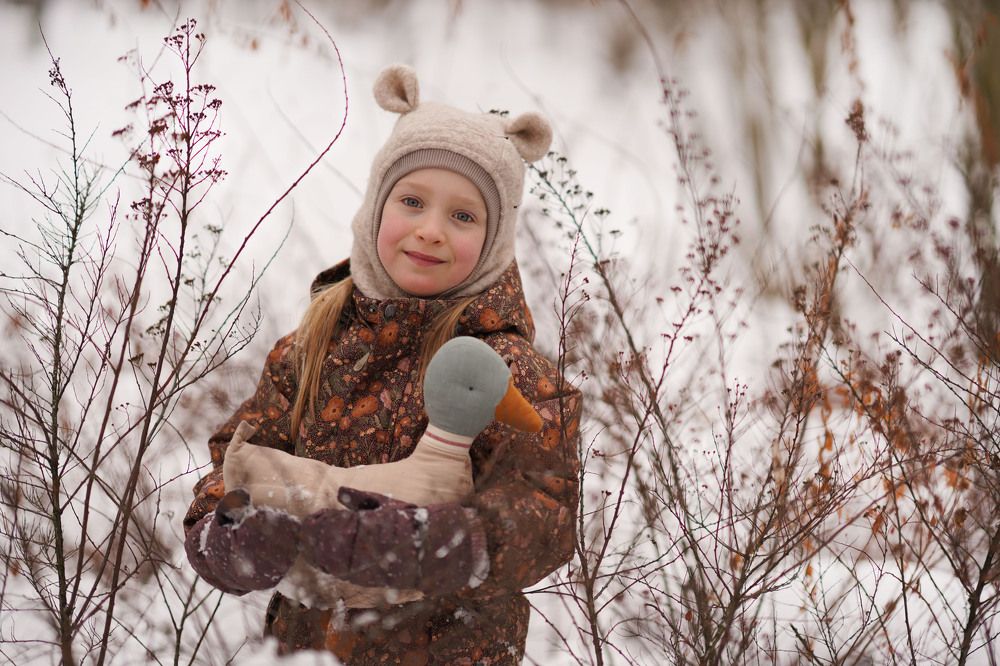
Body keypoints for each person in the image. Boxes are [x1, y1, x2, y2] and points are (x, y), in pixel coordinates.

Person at [182, 64, 582, 664]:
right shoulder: (312, 344)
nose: (430, 232)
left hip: (452, 649)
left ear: (496, 238)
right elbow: (233, 460)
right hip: (307, 647)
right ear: (376, 208)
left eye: (464, 216)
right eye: (412, 202)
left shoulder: (509, 367)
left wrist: (434, 544)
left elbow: (546, 514)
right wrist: (227, 534)